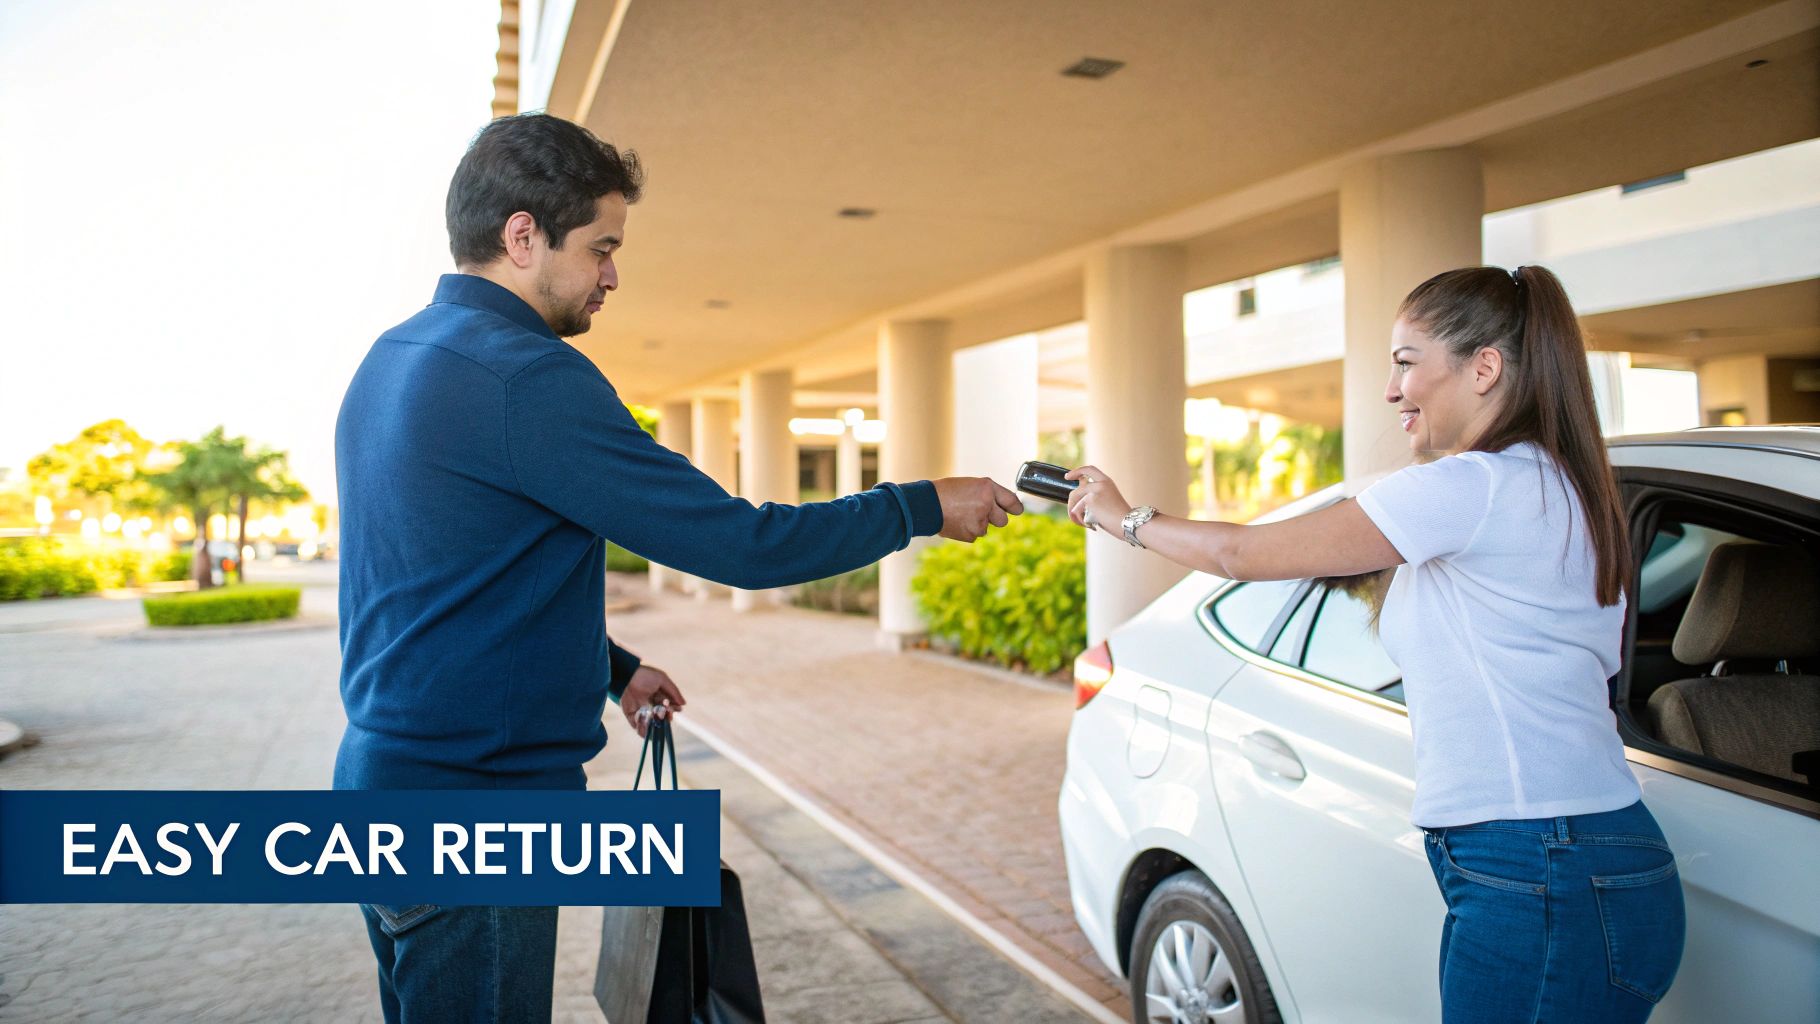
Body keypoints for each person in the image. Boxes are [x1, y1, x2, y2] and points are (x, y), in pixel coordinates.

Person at [333, 112, 1024, 1024]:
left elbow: (449, 581)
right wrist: (920, 505)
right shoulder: (527, 378)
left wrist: (610, 668)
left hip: (381, 787)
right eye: (601, 247)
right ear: (521, 237)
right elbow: (740, 544)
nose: (614, 274)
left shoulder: (392, 360)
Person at [1065, 265, 1685, 1022]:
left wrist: (1122, 517)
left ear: (1483, 367)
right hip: (1597, 857)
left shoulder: (1472, 488)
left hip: (1536, 866)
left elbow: (1243, 555)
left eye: (1405, 361)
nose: (1392, 391)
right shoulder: (1565, 487)